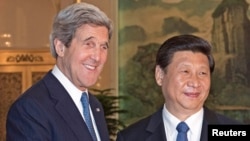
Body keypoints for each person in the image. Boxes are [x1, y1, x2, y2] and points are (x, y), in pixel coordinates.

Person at [6, 2, 113, 141]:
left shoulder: (94, 106)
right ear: (61, 47)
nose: (97, 57)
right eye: (88, 44)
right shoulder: (30, 110)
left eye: (103, 47)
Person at [116, 34, 241, 141]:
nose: (195, 83)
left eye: (202, 73)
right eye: (185, 71)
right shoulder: (131, 137)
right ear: (160, 75)